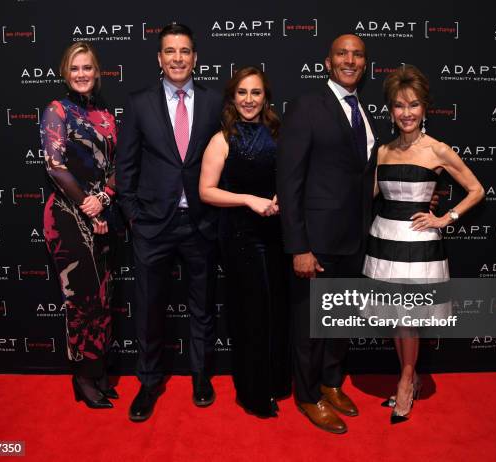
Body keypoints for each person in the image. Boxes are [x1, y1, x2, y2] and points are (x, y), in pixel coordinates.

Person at [363, 64, 484, 423]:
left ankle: (404, 381)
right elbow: (366, 195)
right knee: (394, 317)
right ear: (390, 110)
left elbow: (476, 189)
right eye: (399, 106)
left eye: (413, 105)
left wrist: (446, 218)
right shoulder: (382, 151)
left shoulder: (438, 150)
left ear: (425, 109)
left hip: (419, 245)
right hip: (383, 240)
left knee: (409, 317)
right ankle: (410, 374)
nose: (406, 113)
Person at [115, 23, 223, 422]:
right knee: (148, 309)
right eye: (170, 51)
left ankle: (200, 376)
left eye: (185, 51)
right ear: (159, 59)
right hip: (152, 224)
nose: (178, 58)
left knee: (202, 307)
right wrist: (132, 215)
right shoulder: (140, 102)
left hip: (200, 222)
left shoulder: (214, 103)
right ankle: (148, 382)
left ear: (195, 58)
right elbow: (125, 166)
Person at [277, 34, 379, 434]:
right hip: (316, 241)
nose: (349, 60)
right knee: (310, 326)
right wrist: (298, 245)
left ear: (365, 64)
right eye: (342, 54)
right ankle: (307, 395)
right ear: (328, 62)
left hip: (355, 238)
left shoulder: (363, 110)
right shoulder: (307, 106)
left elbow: (361, 175)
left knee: (341, 320)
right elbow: (289, 182)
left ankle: (331, 382)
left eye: (357, 55)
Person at [199, 66, 291, 417]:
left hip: (277, 231)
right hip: (240, 235)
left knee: (277, 310)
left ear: (265, 96)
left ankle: (278, 383)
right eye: (242, 93)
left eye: (256, 93)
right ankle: (253, 393)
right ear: (232, 97)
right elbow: (205, 191)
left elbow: (290, 175)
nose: (249, 100)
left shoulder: (279, 132)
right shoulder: (222, 138)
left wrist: (281, 197)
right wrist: (248, 199)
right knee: (250, 313)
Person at [41, 41, 118, 409]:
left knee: (103, 297)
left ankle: (99, 370)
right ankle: (83, 377)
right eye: (75, 68)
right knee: (81, 299)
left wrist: (102, 199)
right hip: (67, 216)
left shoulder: (106, 114)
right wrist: (89, 207)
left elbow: (118, 167)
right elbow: (55, 165)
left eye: (87, 67)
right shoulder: (57, 111)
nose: (82, 74)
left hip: (100, 213)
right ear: (65, 73)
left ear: (97, 71)